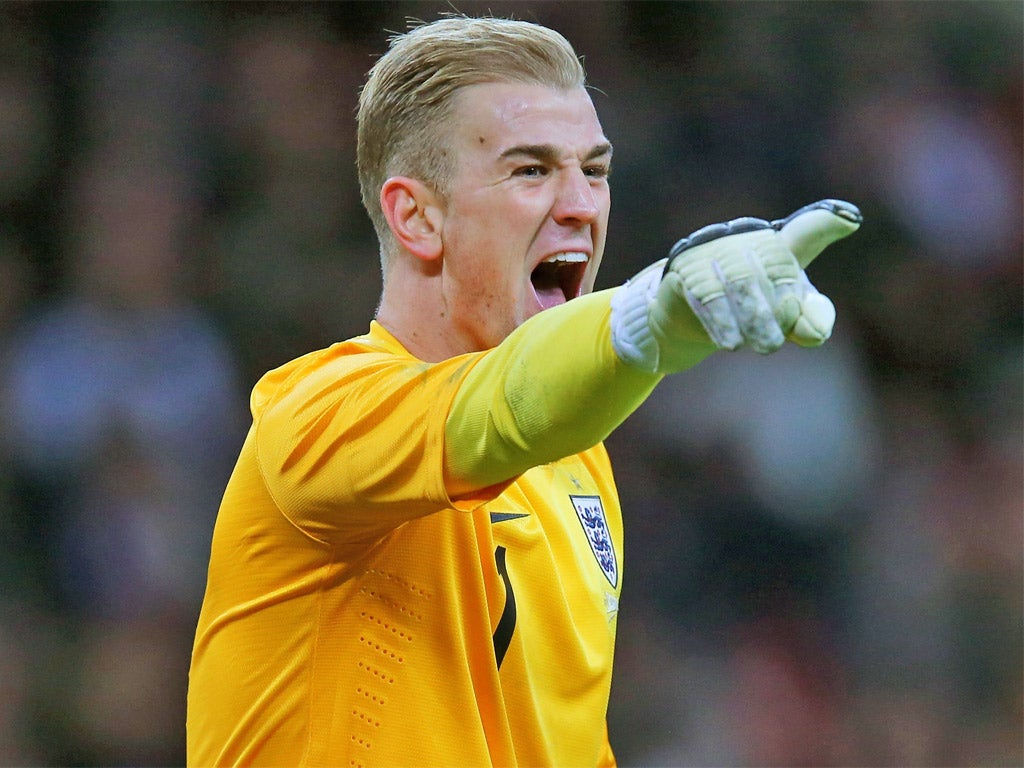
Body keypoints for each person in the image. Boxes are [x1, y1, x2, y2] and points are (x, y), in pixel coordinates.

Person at [186, 14, 861, 767]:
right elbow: (487, 415)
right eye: (531, 170)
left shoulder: (576, 466)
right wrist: (650, 316)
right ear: (417, 216)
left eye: (596, 171)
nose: (581, 204)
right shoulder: (312, 418)